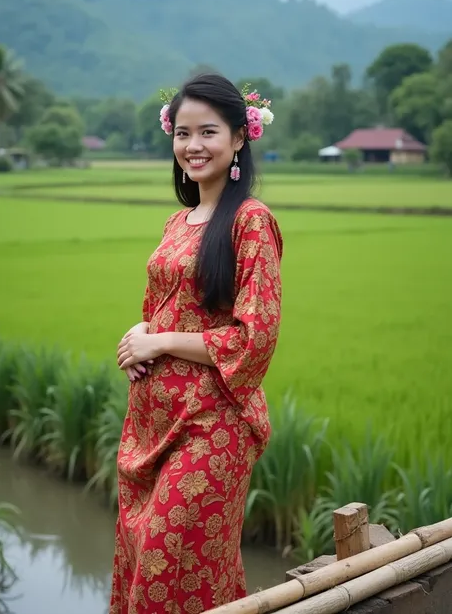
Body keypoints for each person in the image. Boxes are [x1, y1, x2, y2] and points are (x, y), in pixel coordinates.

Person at [110, 74, 283, 614]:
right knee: (150, 564)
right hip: (151, 426)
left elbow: (255, 338)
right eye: (182, 133)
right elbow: (161, 308)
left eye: (208, 131)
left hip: (213, 427)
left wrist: (158, 340)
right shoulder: (176, 221)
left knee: (173, 563)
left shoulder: (251, 222)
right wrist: (140, 334)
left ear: (239, 137)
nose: (193, 146)